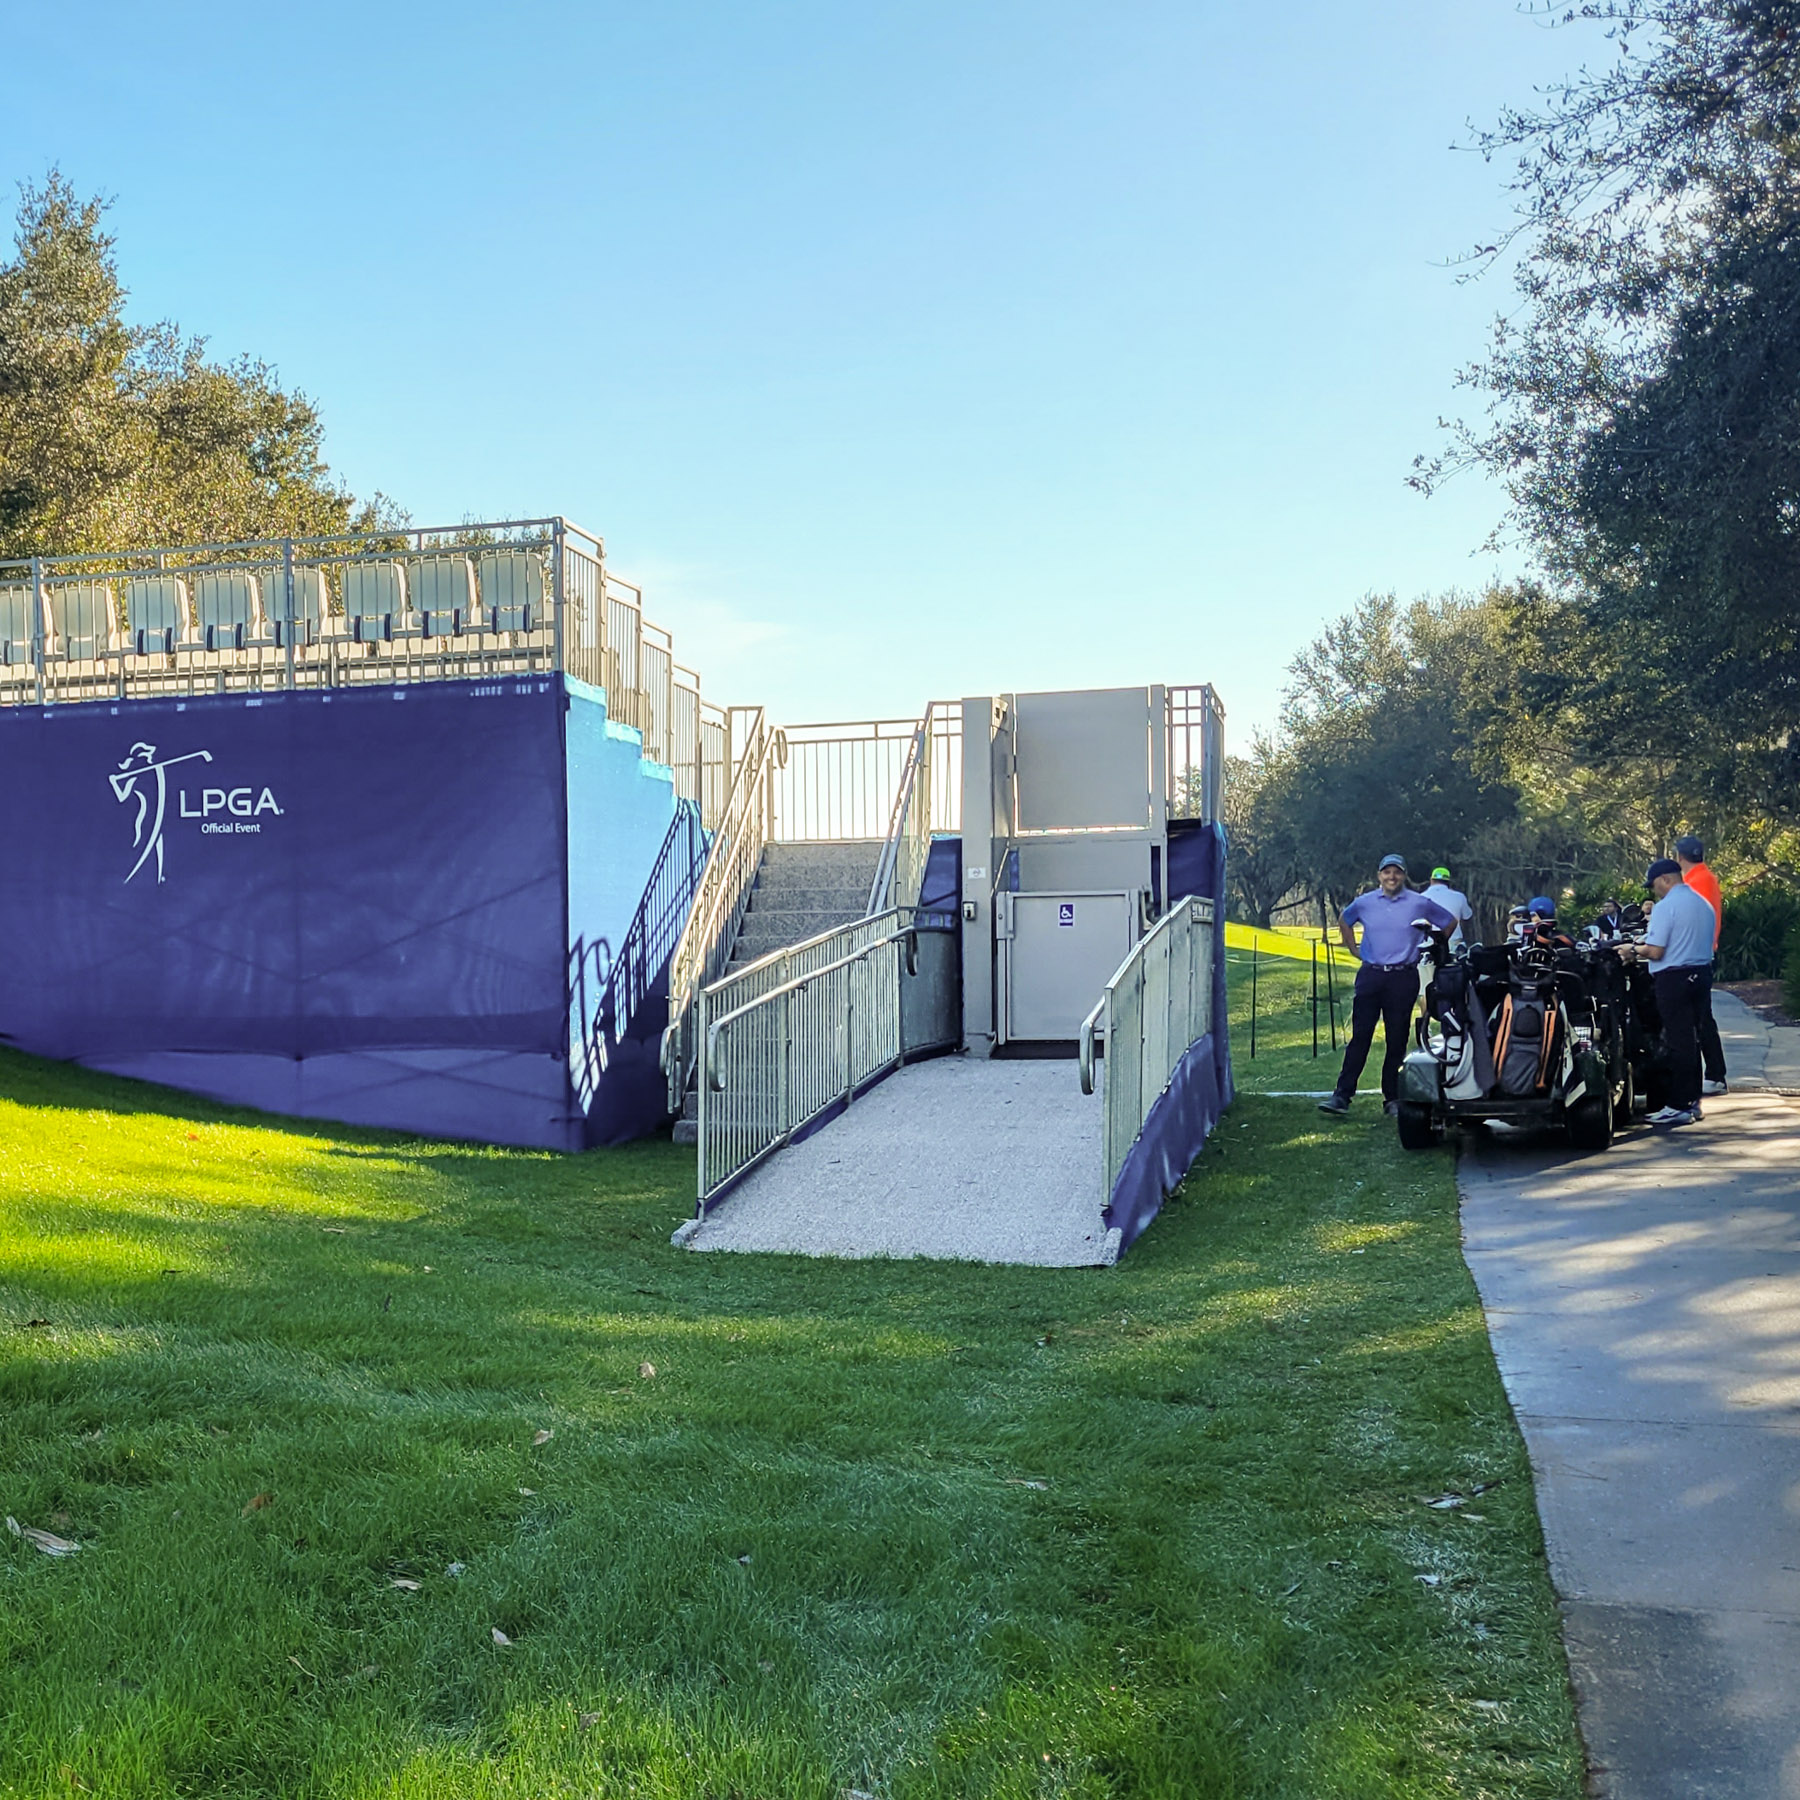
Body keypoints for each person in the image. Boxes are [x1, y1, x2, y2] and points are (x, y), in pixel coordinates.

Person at [1318, 854, 1457, 1117]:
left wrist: (1430, 946)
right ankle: (1342, 1096)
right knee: (1360, 1036)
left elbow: (1449, 922)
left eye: (1397, 873)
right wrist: (1354, 949)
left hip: (1402, 976)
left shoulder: (1419, 903)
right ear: (1379, 875)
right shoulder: (1365, 902)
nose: (1391, 877)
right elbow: (1344, 921)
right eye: (1386, 872)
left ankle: (1392, 1098)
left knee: (1397, 1038)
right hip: (1371, 975)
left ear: (1404, 876)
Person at [1619, 858, 1717, 1127]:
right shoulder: (1704, 904)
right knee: (1693, 1040)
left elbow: (1656, 950)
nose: (1654, 891)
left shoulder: (1665, 908)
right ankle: (1693, 1102)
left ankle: (1677, 1105)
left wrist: (1632, 950)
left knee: (1678, 1042)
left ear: (1665, 879)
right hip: (1701, 974)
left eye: (1654, 886)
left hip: (1674, 979)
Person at [1675, 834, 1727, 1096]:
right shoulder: (1701, 878)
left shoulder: (1698, 881)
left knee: (1702, 1018)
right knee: (1701, 1017)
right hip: (1699, 955)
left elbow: (1695, 920)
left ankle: (1716, 1074)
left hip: (1697, 957)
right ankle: (1714, 1074)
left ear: (1679, 857)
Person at [1423, 865, 1473, 951]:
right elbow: (1467, 918)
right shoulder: (1459, 897)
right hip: (1454, 945)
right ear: (1448, 882)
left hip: (1429, 946)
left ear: (1431, 880)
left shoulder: (1422, 897)